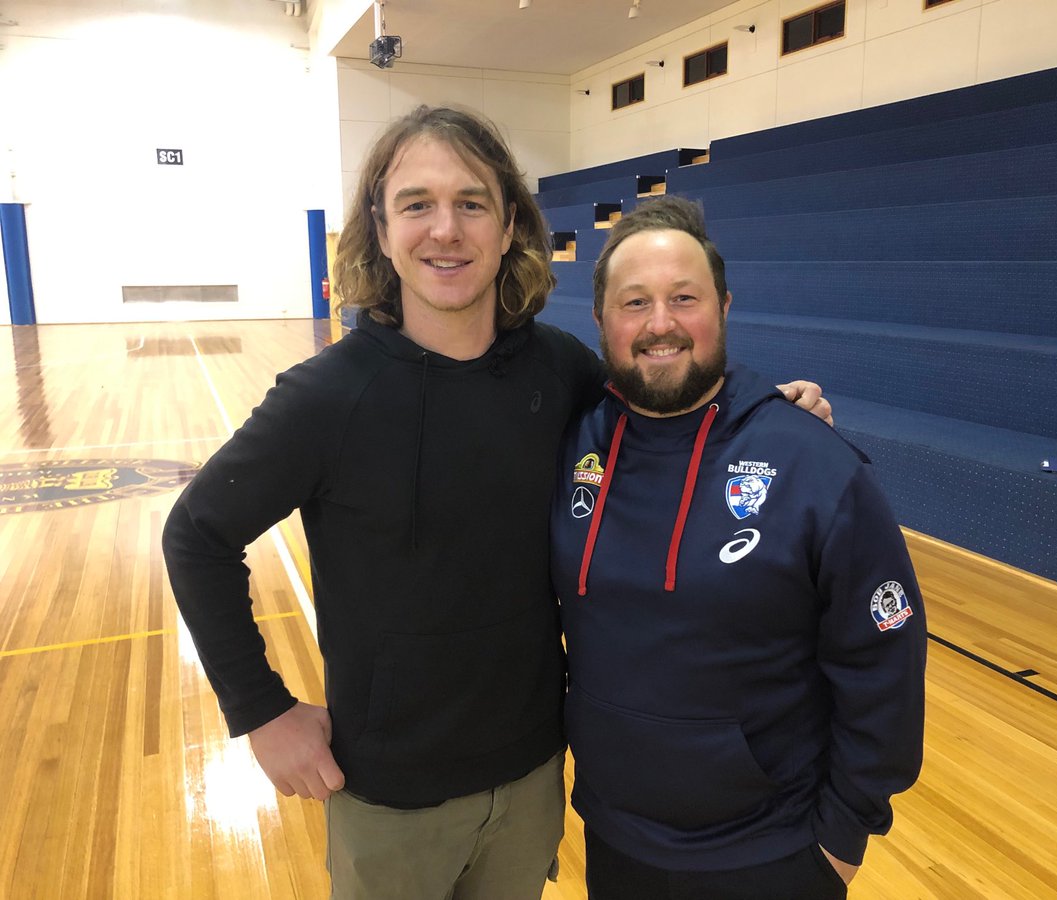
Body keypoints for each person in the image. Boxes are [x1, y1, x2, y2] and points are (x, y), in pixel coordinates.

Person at [161, 106, 831, 900]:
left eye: (471, 203)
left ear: (510, 223)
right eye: (417, 204)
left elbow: (669, 401)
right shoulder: (325, 399)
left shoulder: (557, 368)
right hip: (388, 796)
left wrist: (769, 415)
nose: (445, 229)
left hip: (532, 776)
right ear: (379, 228)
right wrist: (261, 710)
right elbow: (195, 536)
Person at [550, 195, 927, 899]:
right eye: (635, 303)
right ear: (601, 321)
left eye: (683, 298)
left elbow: (885, 664)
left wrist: (843, 836)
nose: (660, 324)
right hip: (614, 838)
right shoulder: (571, 443)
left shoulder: (812, 463)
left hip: (773, 854)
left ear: (722, 306)